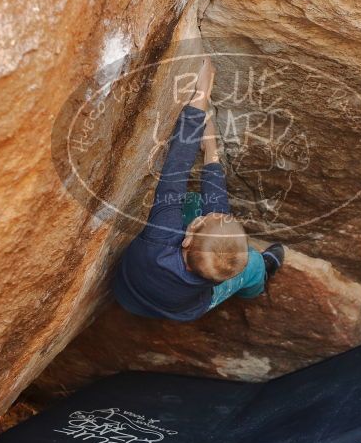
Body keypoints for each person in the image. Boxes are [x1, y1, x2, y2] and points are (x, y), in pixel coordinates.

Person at [113, 58, 285, 321]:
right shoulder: (211, 273)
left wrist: (201, 97)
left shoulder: (161, 238)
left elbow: (175, 174)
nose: (211, 214)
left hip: (129, 294)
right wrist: (211, 152)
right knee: (247, 262)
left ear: (188, 238)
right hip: (181, 309)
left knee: (196, 206)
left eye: (203, 221)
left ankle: (257, 277)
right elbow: (211, 205)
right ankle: (256, 278)